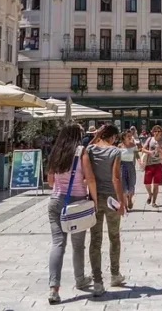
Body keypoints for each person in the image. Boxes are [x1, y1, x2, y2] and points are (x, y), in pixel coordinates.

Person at [45, 124, 97, 305]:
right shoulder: (81, 152)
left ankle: (54, 288)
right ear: (78, 136)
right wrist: (94, 200)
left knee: (58, 243)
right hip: (77, 202)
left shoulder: (56, 152)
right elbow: (90, 178)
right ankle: (80, 279)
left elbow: (50, 181)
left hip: (55, 201)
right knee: (78, 244)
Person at [85, 125, 126, 296]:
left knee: (95, 239)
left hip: (94, 198)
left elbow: (87, 149)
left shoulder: (90, 150)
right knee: (114, 237)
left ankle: (97, 281)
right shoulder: (115, 152)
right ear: (113, 137)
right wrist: (122, 201)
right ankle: (115, 274)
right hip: (111, 199)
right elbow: (115, 178)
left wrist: (97, 135)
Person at [139, 125, 162, 208]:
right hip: (149, 164)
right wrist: (149, 152)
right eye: (155, 131)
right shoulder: (150, 139)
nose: (157, 133)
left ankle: (154, 201)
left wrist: (160, 149)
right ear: (152, 132)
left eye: (158, 131)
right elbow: (142, 149)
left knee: (156, 184)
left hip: (158, 164)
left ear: (161, 132)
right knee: (147, 183)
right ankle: (150, 195)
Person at [118, 129, 138, 211]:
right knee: (124, 187)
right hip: (122, 166)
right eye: (128, 136)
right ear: (124, 137)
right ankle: (125, 205)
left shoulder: (133, 145)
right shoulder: (119, 146)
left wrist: (141, 163)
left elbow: (137, 156)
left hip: (131, 166)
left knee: (131, 185)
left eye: (131, 136)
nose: (130, 137)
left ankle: (129, 199)